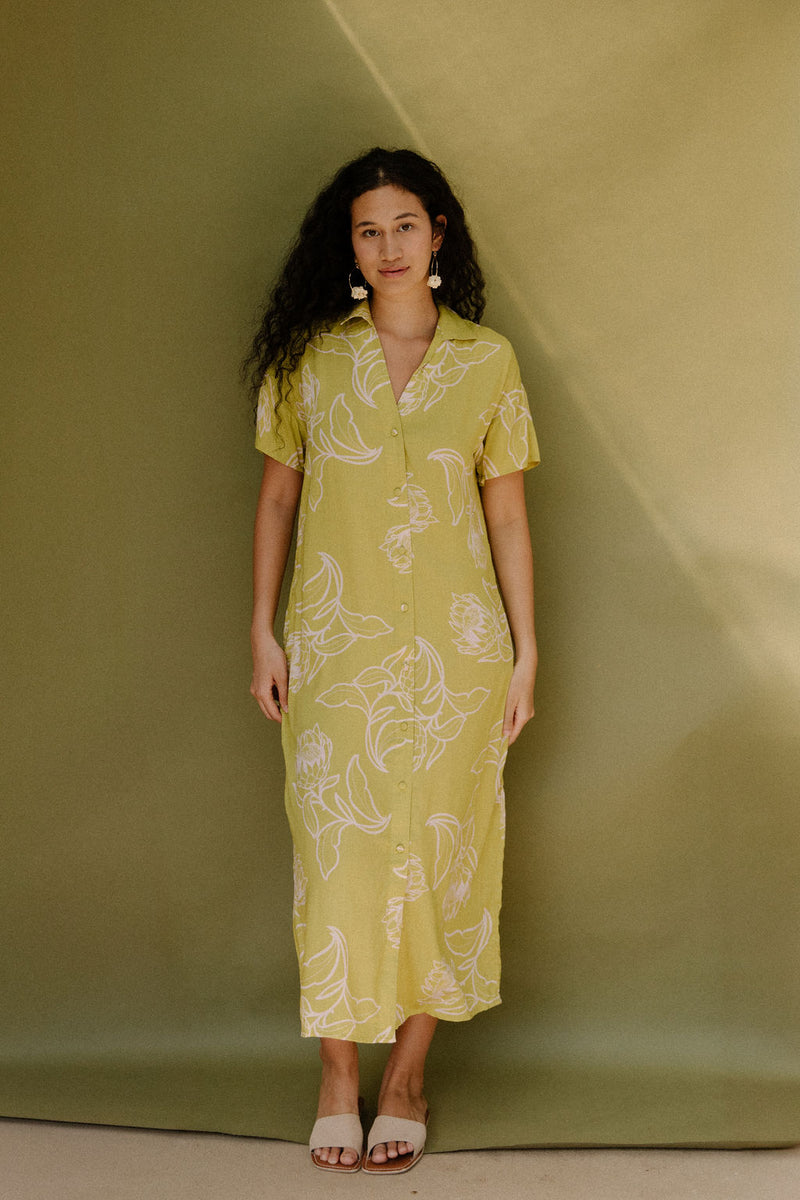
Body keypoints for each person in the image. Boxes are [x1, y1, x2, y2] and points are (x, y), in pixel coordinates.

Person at [243, 147, 539, 1175]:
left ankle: (406, 1075)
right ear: (350, 245)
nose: (388, 246)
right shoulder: (309, 359)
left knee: (445, 856)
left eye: (404, 225)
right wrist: (261, 628)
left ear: (438, 233)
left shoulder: (487, 362)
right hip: (333, 645)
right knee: (338, 856)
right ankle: (336, 1075)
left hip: (460, 653)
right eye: (367, 229)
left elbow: (505, 513)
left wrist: (526, 648)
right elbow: (278, 498)